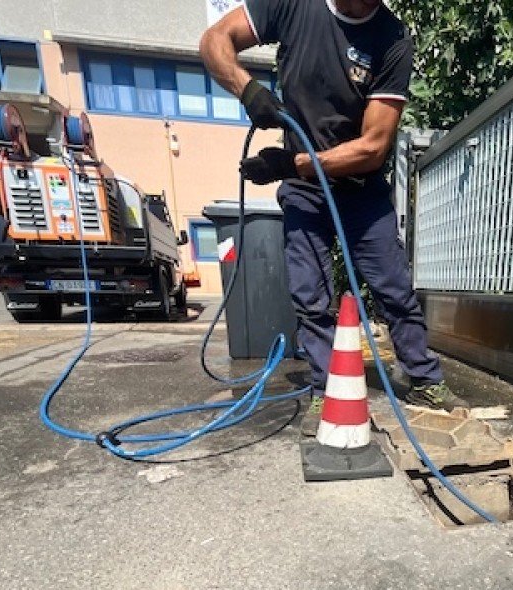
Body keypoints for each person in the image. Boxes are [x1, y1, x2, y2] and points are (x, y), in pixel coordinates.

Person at [200, 0, 466, 436]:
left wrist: (293, 164)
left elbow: (373, 147)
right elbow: (214, 41)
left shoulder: (392, 40)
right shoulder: (290, 6)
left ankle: (423, 379)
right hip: (305, 191)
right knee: (311, 292)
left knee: (394, 288)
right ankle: (326, 388)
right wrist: (247, 89)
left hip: (359, 187)